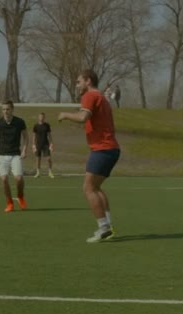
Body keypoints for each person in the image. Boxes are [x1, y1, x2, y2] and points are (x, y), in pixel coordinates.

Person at [58, 69, 120, 243]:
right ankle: (108, 226)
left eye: (78, 82)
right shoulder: (101, 97)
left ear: (88, 81)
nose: (77, 85)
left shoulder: (90, 96)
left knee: (88, 188)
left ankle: (103, 227)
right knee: (96, 188)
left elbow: (83, 116)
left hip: (102, 149)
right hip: (111, 149)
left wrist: (65, 115)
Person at [0, 100, 28, 212]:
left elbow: (26, 137)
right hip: (2, 155)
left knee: (19, 178)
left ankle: (20, 197)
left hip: (16, 154)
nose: (5, 111)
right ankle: (9, 202)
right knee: (4, 178)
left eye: (8, 109)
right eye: (4, 109)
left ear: (12, 109)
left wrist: (24, 150)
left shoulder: (20, 122)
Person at [32, 112, 54, 178]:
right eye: (40, 116)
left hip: (46, 144)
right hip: (38, 144)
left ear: (44, 118)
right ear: (38, 117)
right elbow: (34, 136)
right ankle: (38, 173)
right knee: (38, 159)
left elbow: (49, 135)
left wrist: (52, 143)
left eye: (43, 117)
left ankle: (50, 172)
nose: (41, 118)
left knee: (48, 159)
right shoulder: (35, 126)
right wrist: (33, 145)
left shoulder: (47, 125)